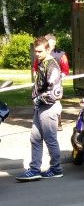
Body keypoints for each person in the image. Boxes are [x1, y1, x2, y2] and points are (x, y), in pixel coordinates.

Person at [17, 37, 64, 181]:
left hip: (49, 107)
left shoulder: (52, 66)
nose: (36, 54)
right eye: (35, 51)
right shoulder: (42, 63)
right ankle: (35, 169)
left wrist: (39, 99)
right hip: (41, 107)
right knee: (35, 138)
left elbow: (55, 92)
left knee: (50, 139)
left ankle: (56, 169)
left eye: (40, 51)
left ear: (48, 49)